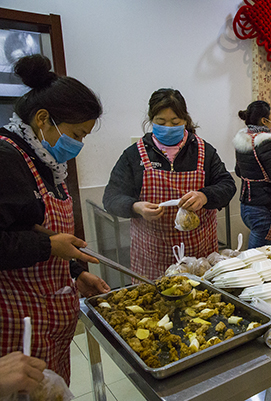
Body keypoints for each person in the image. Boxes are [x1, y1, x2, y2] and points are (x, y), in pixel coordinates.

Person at [0, 54, 109, 385]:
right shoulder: (6, 158)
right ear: (43, 118)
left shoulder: (45, 160)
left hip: (51, 320)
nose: (78, 144)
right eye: (77, 134)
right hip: (17, 324)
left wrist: (76, 273)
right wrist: (48, 245)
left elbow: (29, 225)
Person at [103, 88, 236, 280]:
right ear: (151, 120)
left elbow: (227, 184)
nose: (168, 127)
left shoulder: (203, 151)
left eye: (175, 122)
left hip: (198, 255)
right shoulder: (134, 155)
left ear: (185, 120)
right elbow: (111, 198)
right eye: (160, 122)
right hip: (153, 255)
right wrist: (135, 207)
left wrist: (204, 196)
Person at [233, 100, 271, 248]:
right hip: (262, 209)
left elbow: (238, 171)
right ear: (264, 120)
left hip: (246, 207)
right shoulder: (266, 143)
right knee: (255, 257)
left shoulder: (243, 139)